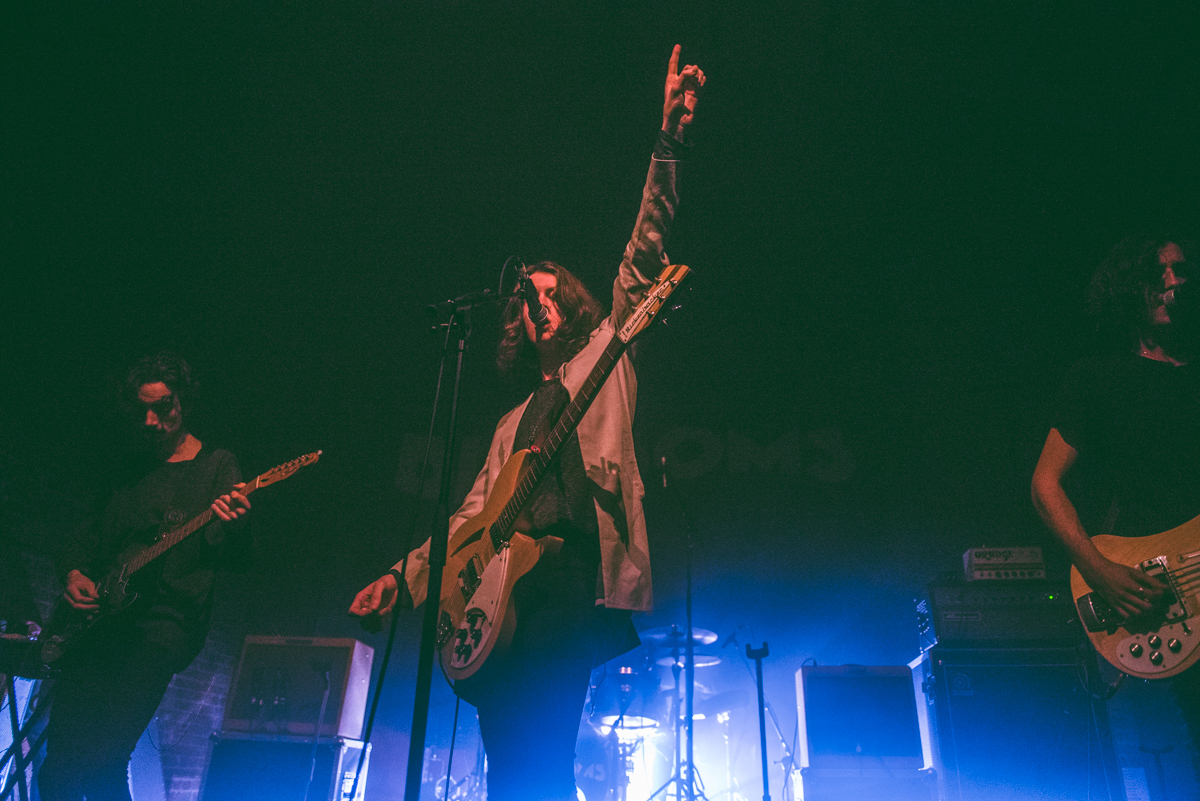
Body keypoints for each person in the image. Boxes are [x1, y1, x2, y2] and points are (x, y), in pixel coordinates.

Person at [350, 44, 705, 801]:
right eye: (528, 299)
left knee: (541, 755)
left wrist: (668, 141)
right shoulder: (511, 421)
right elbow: (469, 518)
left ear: (573, 302)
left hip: (567, 584)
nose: (540, 303)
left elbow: (643, 254)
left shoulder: (606, 356)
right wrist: (402, 579)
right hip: (499, 594)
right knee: (507, 760)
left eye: (551, 292)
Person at [37, 352, 251, 801]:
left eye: (163, 407)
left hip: (162, 625)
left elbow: (235, 558)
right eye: (142, 410)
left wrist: (235, 526)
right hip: (99, 621)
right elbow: (84, 535)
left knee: (104, 757)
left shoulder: (216, 466)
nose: (151, 421)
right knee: (57, 769)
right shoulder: (126, 468)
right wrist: (73, 573)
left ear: (184, 401)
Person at [1031, 237, 1200, 783]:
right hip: (1164, 593)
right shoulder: (1097, 378)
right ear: (1130, 290)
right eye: (1158, 273)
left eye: (1181, 269)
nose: (1175, 281)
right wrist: (1100, 571)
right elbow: (1045, 484)